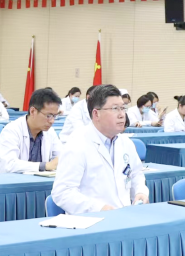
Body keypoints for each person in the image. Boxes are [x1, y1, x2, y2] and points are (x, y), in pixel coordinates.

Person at [51, 84, 148, 214]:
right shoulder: (77, 143)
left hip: (124, 216)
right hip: (92, 219)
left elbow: (136, 174)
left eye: (123, 108)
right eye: (115, 109)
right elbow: (62, 192)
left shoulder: (126, 142)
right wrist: (98, 208)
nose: (122, 115)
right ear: (96, 114)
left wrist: (140, 191)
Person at [0, 88, 63, 174]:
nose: (52, 121)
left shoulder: (50, 132)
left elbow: (60, 158)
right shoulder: (11, 130)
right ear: (33, 111)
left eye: (55, 116)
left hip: (36, 181)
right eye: (49, 115)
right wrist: (45, 166)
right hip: (7, 180)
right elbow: (10, 165)